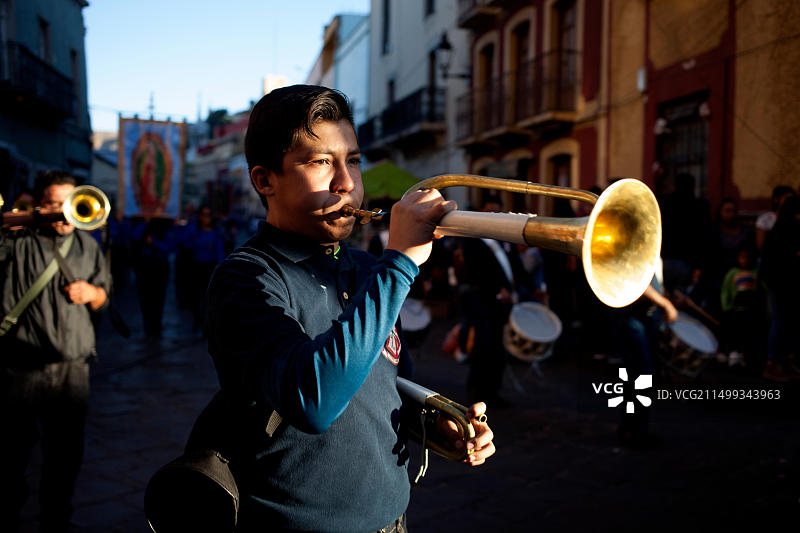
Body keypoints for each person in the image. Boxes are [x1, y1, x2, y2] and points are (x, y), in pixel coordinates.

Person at [201, 85, 495, 532]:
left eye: (353, 161)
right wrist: (399, 263)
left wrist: (433, 424)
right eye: (321, 162)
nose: (347, 183)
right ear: (264, 180)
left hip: (392, 521)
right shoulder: (245, 278)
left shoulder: (364, 267)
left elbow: (389, 383)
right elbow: (313, 402)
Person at [0, 170, 110, 532]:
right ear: (39, 204)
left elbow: (105, 293)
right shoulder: (16, 241)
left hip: (72, 370)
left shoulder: (88, 245)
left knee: (65, 456)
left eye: (69, 202)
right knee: (12, 454)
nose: (64, 213)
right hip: (20, 368)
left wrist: (93, 294)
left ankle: (56, 519)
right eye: (54, 203)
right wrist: (20, 219)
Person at [759, 195, 800, 381]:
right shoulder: (783, 232)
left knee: (790, 323)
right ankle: (772, 362)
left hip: (787, 285)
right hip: (782, 285)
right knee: (781, 321)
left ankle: (786, 360)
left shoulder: (784, 230)